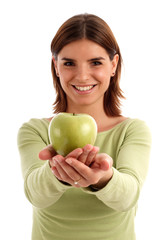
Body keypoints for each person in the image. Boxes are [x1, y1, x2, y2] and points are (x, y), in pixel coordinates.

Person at [17, 13, 151, 240]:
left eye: (96, 62)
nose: (82, 76)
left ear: (113, 65)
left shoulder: (132, 130)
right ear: (56, 66)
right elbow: (35, 195)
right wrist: (56, 172)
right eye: (69, 63)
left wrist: (103, 178)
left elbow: (128, 198)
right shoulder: (35, 130)